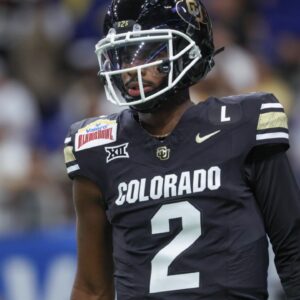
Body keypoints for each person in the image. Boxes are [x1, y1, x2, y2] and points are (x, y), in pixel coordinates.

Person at [64, 0, 300, 299]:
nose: (130, 69)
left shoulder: (243, 125)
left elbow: (293, 250)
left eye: (149, 52)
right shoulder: (96, 146)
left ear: (190, 50)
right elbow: (92, 288)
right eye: (122, 56)